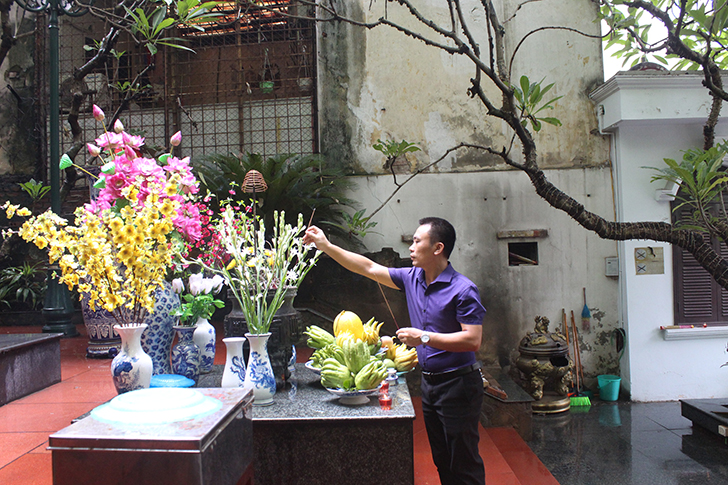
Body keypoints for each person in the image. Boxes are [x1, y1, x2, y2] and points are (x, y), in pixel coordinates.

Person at [303, 216, 486, 485]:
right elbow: (367, 267)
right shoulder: (411, 278)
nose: (411, 247)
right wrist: (326, 246)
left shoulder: (463, 289)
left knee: (464, 462)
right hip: (430, 384)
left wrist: (423, 337)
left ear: (438, 248)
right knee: (442, 460)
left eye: (417, 241)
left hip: (459, 384)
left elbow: (472, 340)